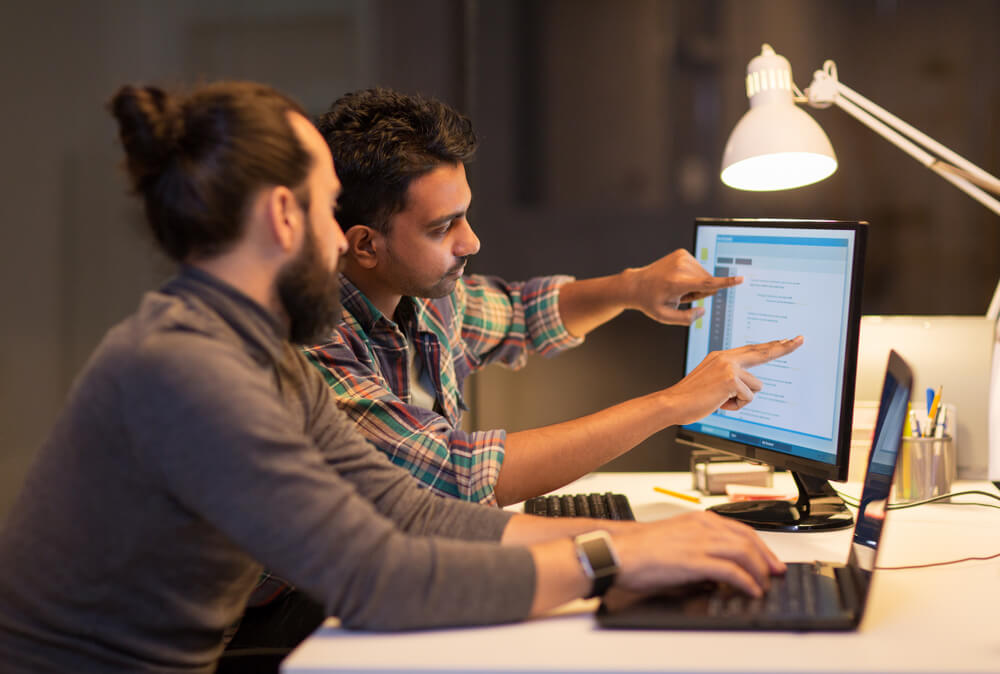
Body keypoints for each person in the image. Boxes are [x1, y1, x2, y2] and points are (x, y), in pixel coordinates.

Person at [0, 80, 793, 673]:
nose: (336, 238)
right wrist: (615, 560)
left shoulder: (256, 350)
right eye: (322, 207)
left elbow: (415, 511)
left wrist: (642, 541)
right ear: (287, 216)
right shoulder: (189, 371)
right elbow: (380, 577)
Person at [306, 88, 804, 506]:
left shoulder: (427, 299)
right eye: (443, 228)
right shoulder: (314, 345)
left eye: (465, 214)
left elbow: (523, 314)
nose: (471, 242)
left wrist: (633, 288)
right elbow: (453, 475)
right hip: (305, 611)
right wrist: (673, 403)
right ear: (366, 245)